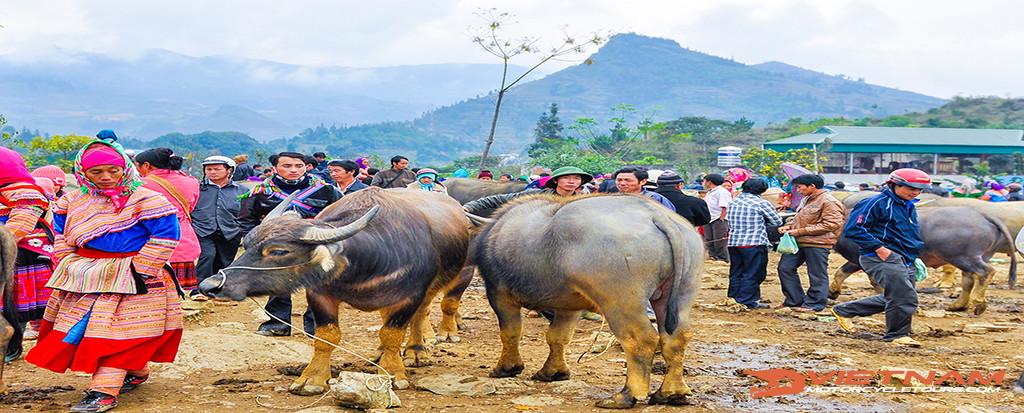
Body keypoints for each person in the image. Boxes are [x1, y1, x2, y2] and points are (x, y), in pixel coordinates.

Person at [25, 137, 182, 412]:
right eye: (96, 172)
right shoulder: (70, 201)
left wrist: (140, 270)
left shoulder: (147, 199)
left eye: (113, 170)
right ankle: (136, 371)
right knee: (89, 330)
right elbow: (60, 235)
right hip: (86, 277)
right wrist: (68, 262)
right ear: (82, 173)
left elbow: (166, 236)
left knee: (124, 331)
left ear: (125, 168)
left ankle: (103, 392)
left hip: (138, 277)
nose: (106, 177)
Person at [239, 152, 342, 336]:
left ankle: (317, 326)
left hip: (314, 246)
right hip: (275, 249)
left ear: (306, 167)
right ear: (274, 169)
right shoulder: (260, 191)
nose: (293, 170)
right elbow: (247, 219)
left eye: (298, 166)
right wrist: (254, 244)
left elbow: (339, 215)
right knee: (277, 284)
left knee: (319, 285)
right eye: (287, 166)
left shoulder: (326, 190)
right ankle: (277, 324)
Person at [832, 168, 930, 347]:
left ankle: (844, 310)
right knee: (904, 297)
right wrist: (879, 248)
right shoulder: (875, 203)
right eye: (911, 188)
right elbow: (854, 229)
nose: (915, 192)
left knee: (898, 296)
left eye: (919, 190)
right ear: (895, 185)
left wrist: (914, 254)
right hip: (881, 256)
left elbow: (909, 233)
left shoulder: (908, 205)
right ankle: (897, 335)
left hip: (905, 257)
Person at [0, 147, 55, 359]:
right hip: (6, 252)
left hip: (20, 255)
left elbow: (19, 226)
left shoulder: (27, 192)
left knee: (14, 305)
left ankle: (13, 345)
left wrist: (5, 243)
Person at [136, 148, 201, 295]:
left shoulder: (139, 184)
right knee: (178, 291)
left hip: (149, 239)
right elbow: (190, 207)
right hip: (183, 237)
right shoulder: (191, 181)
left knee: (152, 288)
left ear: (146, 165)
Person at [776, 174, 845, 312]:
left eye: (800, 187)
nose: (799, 191)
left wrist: (801, 231)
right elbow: (798, 218)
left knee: (816, 273)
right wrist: (789, 226)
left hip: (818, 243)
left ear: (812, 186)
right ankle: (794, 299)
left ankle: (815, 303)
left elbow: (833, 224)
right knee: (785, 268)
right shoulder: (806, 200)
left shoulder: (828, 201)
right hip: (799, 241)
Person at [190, 156, 248, 301]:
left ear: (229, 170)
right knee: (207, 256)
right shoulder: (197, 188)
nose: (212, 172)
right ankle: (198, 290)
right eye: (209, 169)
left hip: (230, 231)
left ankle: (219, 289)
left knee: (224, 261)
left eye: (217, 169)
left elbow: (247, 211)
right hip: (202, 229)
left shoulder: (241, 190)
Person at [725, 178, 783, 309]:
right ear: (762, 190)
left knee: (736, 271)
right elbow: (777, 221)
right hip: (754, 242)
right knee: (753, 272)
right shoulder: (762, 203)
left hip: (734, 242)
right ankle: (747, 300)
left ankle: (734, 296)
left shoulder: (733, 202)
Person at [463, 166, 591, 213]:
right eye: (566, 178)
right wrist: (470, 207)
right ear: (555, 180)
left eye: (576, 178)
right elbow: (498, 199)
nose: (571, 181)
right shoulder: (536, 195)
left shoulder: (585, 202)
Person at [702, 173, 731, 262]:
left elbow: (725, 206)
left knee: (719, 240)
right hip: (709, 218)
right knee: (709, 239)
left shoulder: (722, 192)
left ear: (709, 182)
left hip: (718, 219)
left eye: (705, 181)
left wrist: (721, 218)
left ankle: (723, 259)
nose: (704, 183)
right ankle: (713, 256)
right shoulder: (710, 192)